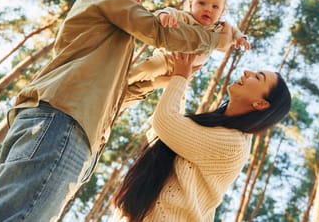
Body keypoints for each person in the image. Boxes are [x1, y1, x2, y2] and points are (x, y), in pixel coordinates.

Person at [0, 0, 232, 221]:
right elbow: (158, 32)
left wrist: (161, 80)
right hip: (63, 120)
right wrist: (217, 40)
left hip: (69, 127)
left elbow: (118, 95)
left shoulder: (113, 35)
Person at [113, 52, 292, 221]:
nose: (247, 72)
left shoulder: (234, 144)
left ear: (260, 103)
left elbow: (165, 122)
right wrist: (178, 78)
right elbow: (166, 132)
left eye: (258, 77)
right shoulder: (215, 128)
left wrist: (180, 77)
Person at [126, 0, 250, 104]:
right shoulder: (186, 17)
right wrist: (164, 15)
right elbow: (168, 11)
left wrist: (241, 39)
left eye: (215, 6)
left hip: (186, 71)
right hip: (167, 58)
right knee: (149, 68)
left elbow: (234, 32)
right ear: (191, 5)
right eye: (202, 3)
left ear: (222, 12)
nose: (208, 9)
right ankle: (123, 80)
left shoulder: (220, 28)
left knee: (177, 99)